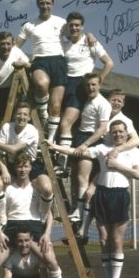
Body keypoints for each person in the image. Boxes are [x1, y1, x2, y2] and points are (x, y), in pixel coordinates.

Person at [46, 120, 139, 278]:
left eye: (121, 132)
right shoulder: (102, 148)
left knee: (116, 242)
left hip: (120, 195)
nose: (118, 135)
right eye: (114, 132)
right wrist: (54, 147)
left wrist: (116, 165)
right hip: (102, 195)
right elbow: (77, 151)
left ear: (126, 133)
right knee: (104, 241)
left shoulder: (134, 151)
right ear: (110, 134)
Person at [15, 0, 95, 140]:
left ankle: (50, 138)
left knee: (56, 106)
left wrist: (90, 35)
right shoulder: (29, 25)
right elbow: (16, 45)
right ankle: (43, 114)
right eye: (42, 3)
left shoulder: (61, 22)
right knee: (41, 83)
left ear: (52, 4)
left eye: (48, 3)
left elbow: (77, 32)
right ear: (37, 4)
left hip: (59, 62)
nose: (45, 6)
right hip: (40, 60)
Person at [76, 88, 139, 242]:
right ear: (107, 100)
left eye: (119, 100)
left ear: (123, 103)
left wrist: (117, 150)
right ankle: (81, 225)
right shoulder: (101, 112)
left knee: (92, 191)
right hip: (99, 155)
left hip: (109, 161)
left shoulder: (125, 121)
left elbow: (137, 141)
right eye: (113, 99)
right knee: (85, 187)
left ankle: (83, 229)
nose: (116, 103)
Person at [56, 11, 114, 171]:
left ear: (82, 27)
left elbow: (109, 63)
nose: (74, 28)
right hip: (64, 82)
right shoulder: (63, 42)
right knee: (59, 121)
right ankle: (61, 158)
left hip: (80, 85)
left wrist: (96, 81)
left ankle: (62, 162)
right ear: (67, 26)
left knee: (65, 123)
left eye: (77, 25)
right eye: (71, 25)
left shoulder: (90, 42)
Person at [0, 102, 53, 226]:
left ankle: (43, 218)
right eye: (19, 113)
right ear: (15, 115)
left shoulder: (32, 130)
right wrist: (4, 169)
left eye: (25, 114)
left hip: (32, 165)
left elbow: (14, 149)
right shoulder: (7, 127)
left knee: (47, 188)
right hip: (13, 165)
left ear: (29, 118)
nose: (21, 117)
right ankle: (3, 219)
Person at [66, 72, 111, 224]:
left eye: (93, 84)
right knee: (76, 178)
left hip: (90, 140)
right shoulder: (87, 100)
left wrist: (86, 144)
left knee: (82, 178)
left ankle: (79, 213)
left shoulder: (103, 103)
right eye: (88, 85)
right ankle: (76, 210)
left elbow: (102, 129)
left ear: (99, 85)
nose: (90, 87)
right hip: (80, 136)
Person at [0, 31, 31, 140]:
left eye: (8, 44)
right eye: (2, 44)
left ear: (12, 44)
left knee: (6, 126)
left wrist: (24, 63)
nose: (6, 47)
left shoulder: (17, 52)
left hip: (10, 93)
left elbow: (30, 65)